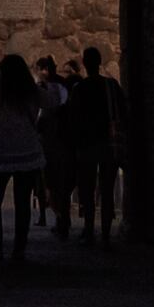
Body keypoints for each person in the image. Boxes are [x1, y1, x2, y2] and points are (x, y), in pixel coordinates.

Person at [0, 42, 46, 263]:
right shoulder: (30, 92)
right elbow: (54, 101)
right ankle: (19, 250)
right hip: (27, 151)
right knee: (23, 203)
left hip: (1, 152)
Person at [50, 48, 116, 245]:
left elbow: (72, 118)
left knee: (87, 190)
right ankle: (105, 233)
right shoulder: (111, 85)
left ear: (85, 63)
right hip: (108, 143)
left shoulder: (80, 89)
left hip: (86, 144)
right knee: (107, 190)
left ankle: (89, 230)